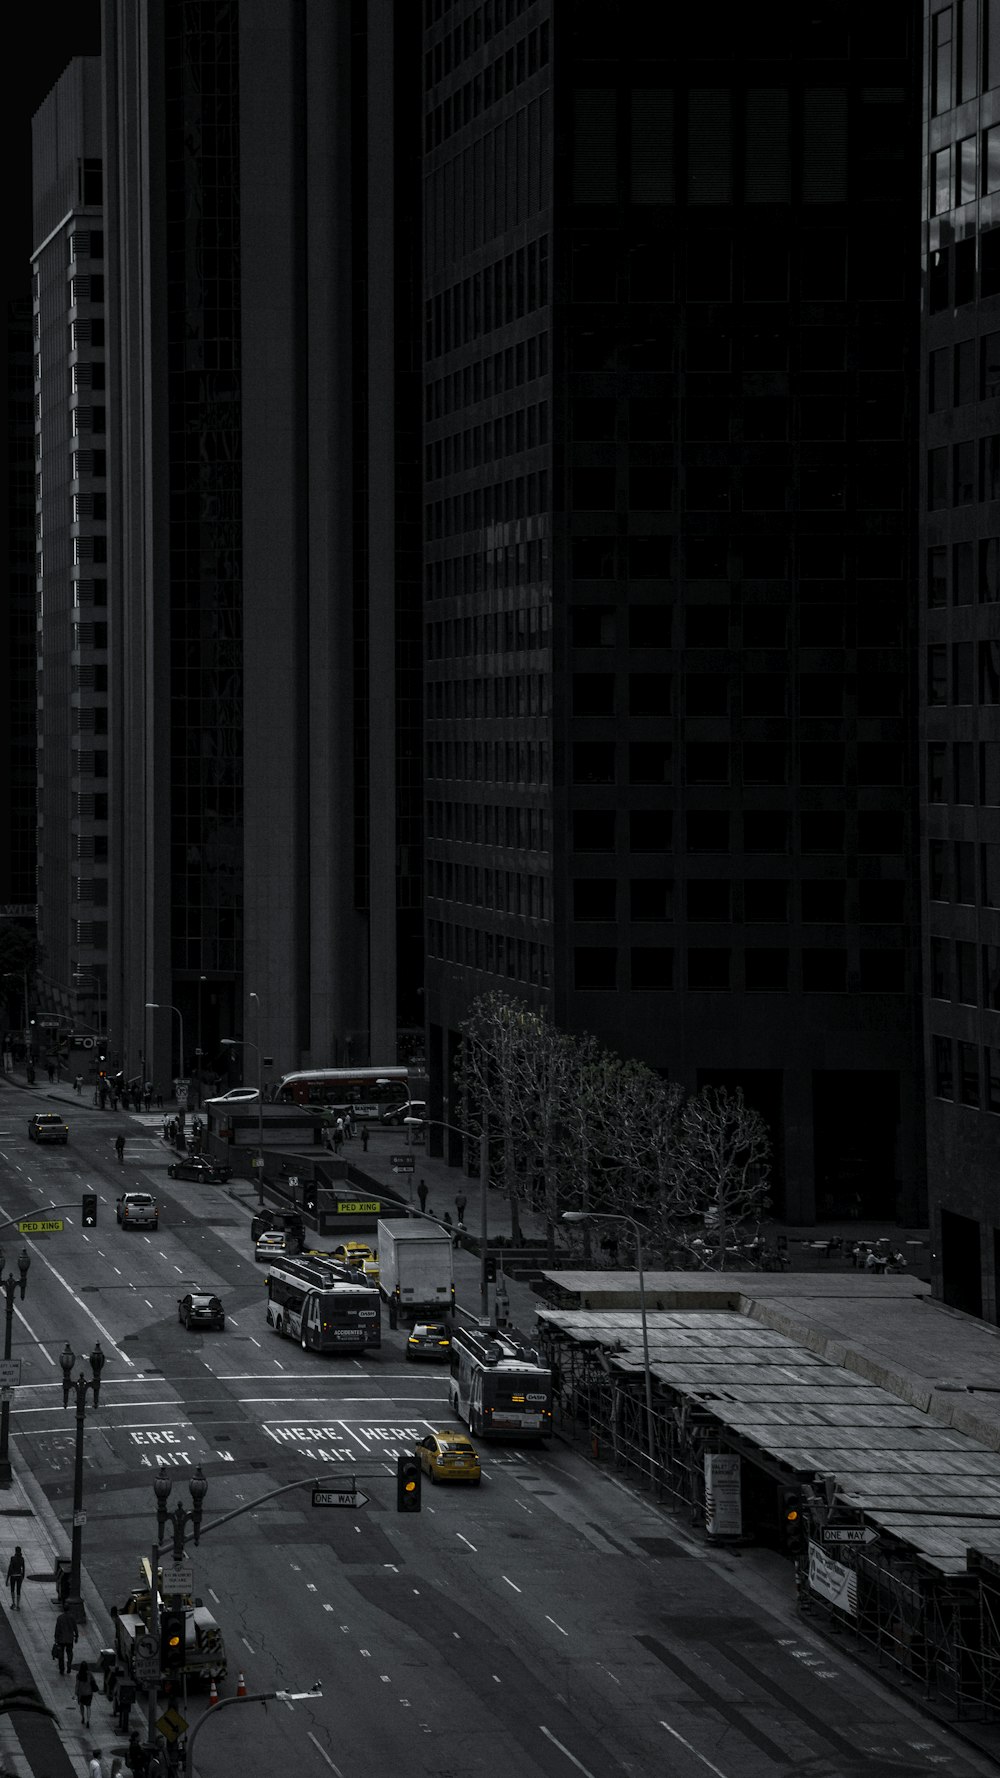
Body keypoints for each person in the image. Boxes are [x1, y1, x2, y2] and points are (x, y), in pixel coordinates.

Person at [54, 1602, 78, 1674]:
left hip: (61, 1639)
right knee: (70, 1653)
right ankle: (69, 1664)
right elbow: (75, 1628)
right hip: (69, 1639)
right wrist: (76, 1636)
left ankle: (62, 1669)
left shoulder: (60, 1618)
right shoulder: (72, 1617)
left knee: (61, 1655)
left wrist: (56, 1638)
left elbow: (57, 1629)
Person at [76, 1660, 96, 1726]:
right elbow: (93, 1682)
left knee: (81, 1706)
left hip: (81, 1693)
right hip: (89, 1693)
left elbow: (77, 1685)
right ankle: (88, 1720)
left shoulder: (79, 1675)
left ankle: (83, 1717)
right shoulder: (90, 1674)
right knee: (88, 1707)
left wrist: (76, 1692)